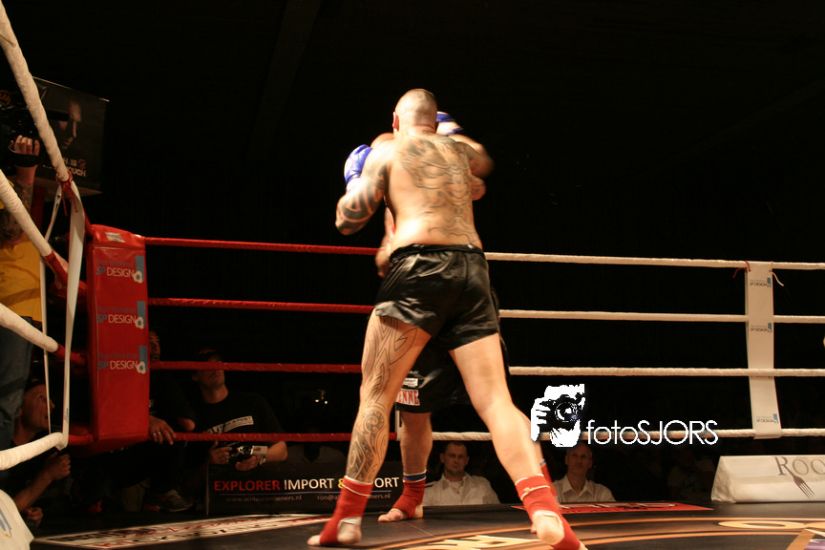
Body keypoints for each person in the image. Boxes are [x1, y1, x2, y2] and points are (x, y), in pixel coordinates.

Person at [310, 89, 584, 549]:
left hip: (418, 269)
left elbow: (349, 219)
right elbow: (482, 170)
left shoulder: (386, 150)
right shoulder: (458, 149)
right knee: (496, 402)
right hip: (472, 268)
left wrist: (354, 182)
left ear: (395, 121)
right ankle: (544, 510)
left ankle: (347, 519)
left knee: (376, 396)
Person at [0, 135, 43, 467]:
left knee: (8, 403)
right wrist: (26, 176)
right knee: (5, 403)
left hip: (20, 305)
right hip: (9, 302)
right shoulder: (7, 185)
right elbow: (11, 231)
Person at [190, 349, 287, 471]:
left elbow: (281, 449)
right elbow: (187, 473)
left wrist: (259, 457)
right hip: (220, 481)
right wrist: (209, 462)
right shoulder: (193, 418)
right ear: (195, 376)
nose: (214, 368)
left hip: (259, 480)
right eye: (206, 366)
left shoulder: (252, 401)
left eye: (217, 362)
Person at [3, 375, 70, 528]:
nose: (52, 406)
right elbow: (5, 511)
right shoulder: (4, 448)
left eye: (50, 400)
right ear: (19, 408)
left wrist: (32, 512)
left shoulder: (47, 450)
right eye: (42, 399)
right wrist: (47, 475)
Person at [423, 441, 499, 506]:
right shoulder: (430, 491)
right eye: (452, 456)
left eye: (460, 457)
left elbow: (497, 514)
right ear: (442, 458)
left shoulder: (482, 486)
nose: (456, 460)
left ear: (466, 460)